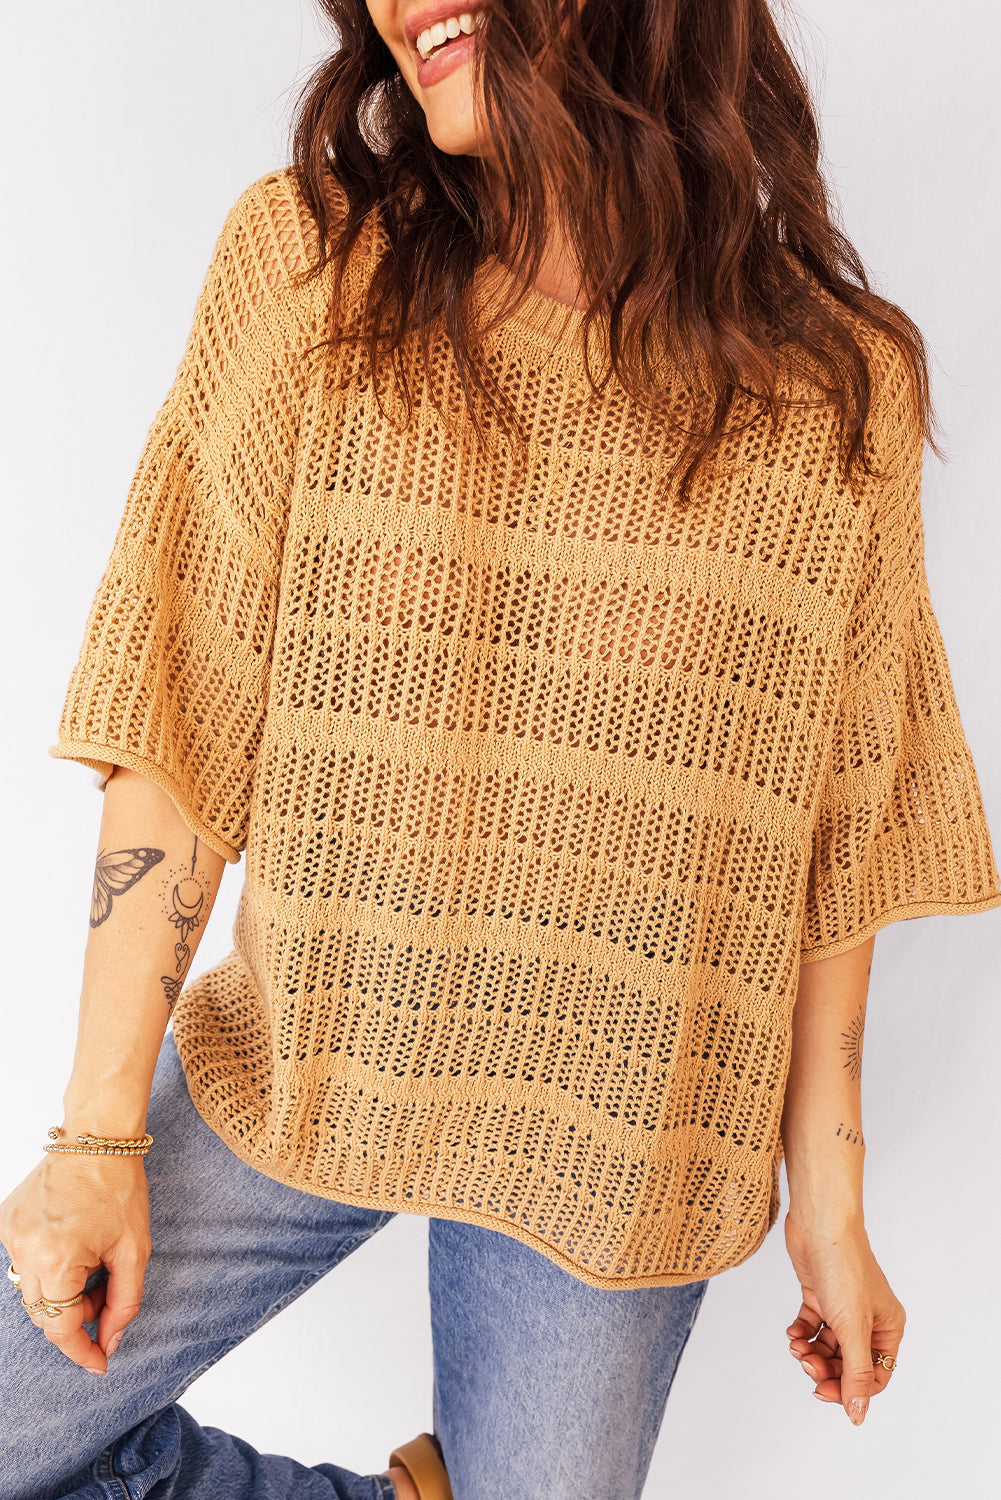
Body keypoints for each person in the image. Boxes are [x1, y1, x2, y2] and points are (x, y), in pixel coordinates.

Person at [2, 2, 999, 1497]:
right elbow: (181, 704)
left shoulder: (830, 385)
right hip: (322, 1044)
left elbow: (833, 827)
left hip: (632, 1126)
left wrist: (831, 1208)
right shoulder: (313, 263)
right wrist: (95, 1137)